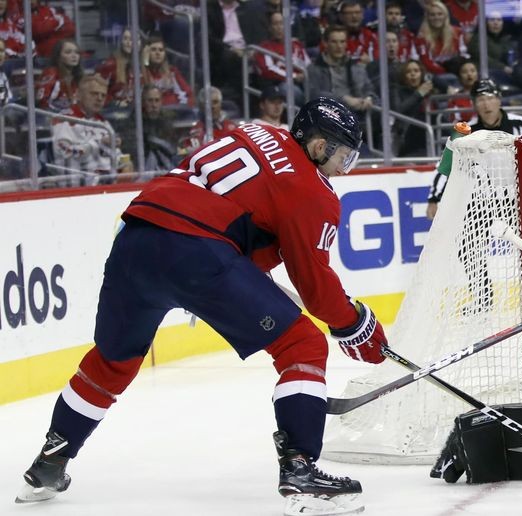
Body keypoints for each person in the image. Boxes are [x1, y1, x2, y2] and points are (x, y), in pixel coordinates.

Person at [16, 97, 385, 516]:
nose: (343, 166)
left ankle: (50, 461)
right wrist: (355, 324)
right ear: (318, 146)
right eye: (342, 154)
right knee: (303, 345)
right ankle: (300, 469)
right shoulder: (312, 191)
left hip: (136, 234)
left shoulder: (256, 130)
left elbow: (239, 207)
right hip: (198, 252)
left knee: (113, 360)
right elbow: (315, 288)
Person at [426, 79, 522, 311]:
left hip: (517, 197)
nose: (486, 104)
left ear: (498, 99)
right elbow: (447, 166)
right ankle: (483, 298)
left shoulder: (519, 123)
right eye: (480, 99)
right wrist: (433, 198)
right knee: (467, 244)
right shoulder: (467, 132)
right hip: (483, 201)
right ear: (475, 104)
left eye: (489, 97)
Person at [51, 75, 128, 185]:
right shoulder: (65, 120)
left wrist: (124, 163)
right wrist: (98, 144)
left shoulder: (103, 123)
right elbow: (65, 152)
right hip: (77, 188)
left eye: (103, 95)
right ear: (78, 95)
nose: (99, 98)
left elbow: (115, 155)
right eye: (94, 94)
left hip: (105, 185)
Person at [253, 10, 310, 106]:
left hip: (303, 83)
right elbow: (268, 70)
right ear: (270, 27)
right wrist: (294, 76)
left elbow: (308, 65)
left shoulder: (296, 45)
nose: (279, 27)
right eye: (275, 24)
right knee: (289, 90)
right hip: (280, 84)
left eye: (282, 23)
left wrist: (304, 74)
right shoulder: (264, 48)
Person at [179, 86, 239, 155]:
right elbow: (182, 152)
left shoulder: (232, 127)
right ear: (201, 106)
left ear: (220, 103)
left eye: (215, 102)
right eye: (207, 103)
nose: (212, 107)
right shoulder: (196, 129)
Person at [142, 34, 193, 107]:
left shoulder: (172, 71)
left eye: (161, 50)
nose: (157, 53)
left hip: (174, 113)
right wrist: (145, 62)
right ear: (146, 53)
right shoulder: (140, 73)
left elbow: (189, 95)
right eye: (153, 50)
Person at [36, 38, 83, 112]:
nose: (74, 56)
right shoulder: (50, 73)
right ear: (58, 56)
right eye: (68, 52)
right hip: (50, 116)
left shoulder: (78, 77)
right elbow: (42, 102)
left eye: (77, 52)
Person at [96, 28, 135, 108]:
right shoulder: (111, 64)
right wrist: (114, 103)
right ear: (120, 42)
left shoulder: (142, 65)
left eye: (132, 39)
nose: (128, 43)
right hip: (115, 109)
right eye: (125, 39)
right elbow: (98, 92)